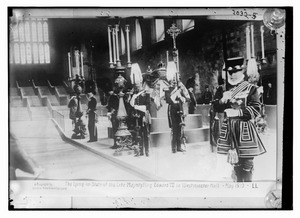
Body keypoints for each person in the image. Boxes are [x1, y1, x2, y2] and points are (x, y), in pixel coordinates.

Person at [214, 57, 266, 182]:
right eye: (230, 72)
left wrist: (237, 112)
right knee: (235, 165)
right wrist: (222, 100)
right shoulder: (222, 89)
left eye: (235, 72)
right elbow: (215, 107)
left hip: (245, 131)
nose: (232, 75)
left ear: (241, 71)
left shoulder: (251, 88)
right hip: (230, 131)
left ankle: (247, 187)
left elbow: (255, 109)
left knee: (247, 164)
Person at [165, 78, 190, 153]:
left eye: (175, 81)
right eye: (172, 81)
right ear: (170, 81)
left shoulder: (180, 89)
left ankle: (179, 147)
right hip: (172, 110)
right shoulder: (168, 89)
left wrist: (183, 98)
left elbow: (187, 98)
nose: (174, 82)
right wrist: (176, 94)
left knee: (179, 129)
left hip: (180, 109)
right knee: (174, 129)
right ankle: (173, 148)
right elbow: (168, 100)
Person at [130, 83, 151, 156]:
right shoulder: (136, 94)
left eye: (139, 84)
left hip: (144, 116)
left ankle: (147, 151)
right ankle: (140, 151)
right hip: (137, 117)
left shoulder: (146, 93)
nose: (138, 85)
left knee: (145, 134)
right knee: (138, 134)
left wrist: (137, 107)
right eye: (137, 84)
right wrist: (133, 97)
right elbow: (132, 104)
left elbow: (147, 106)